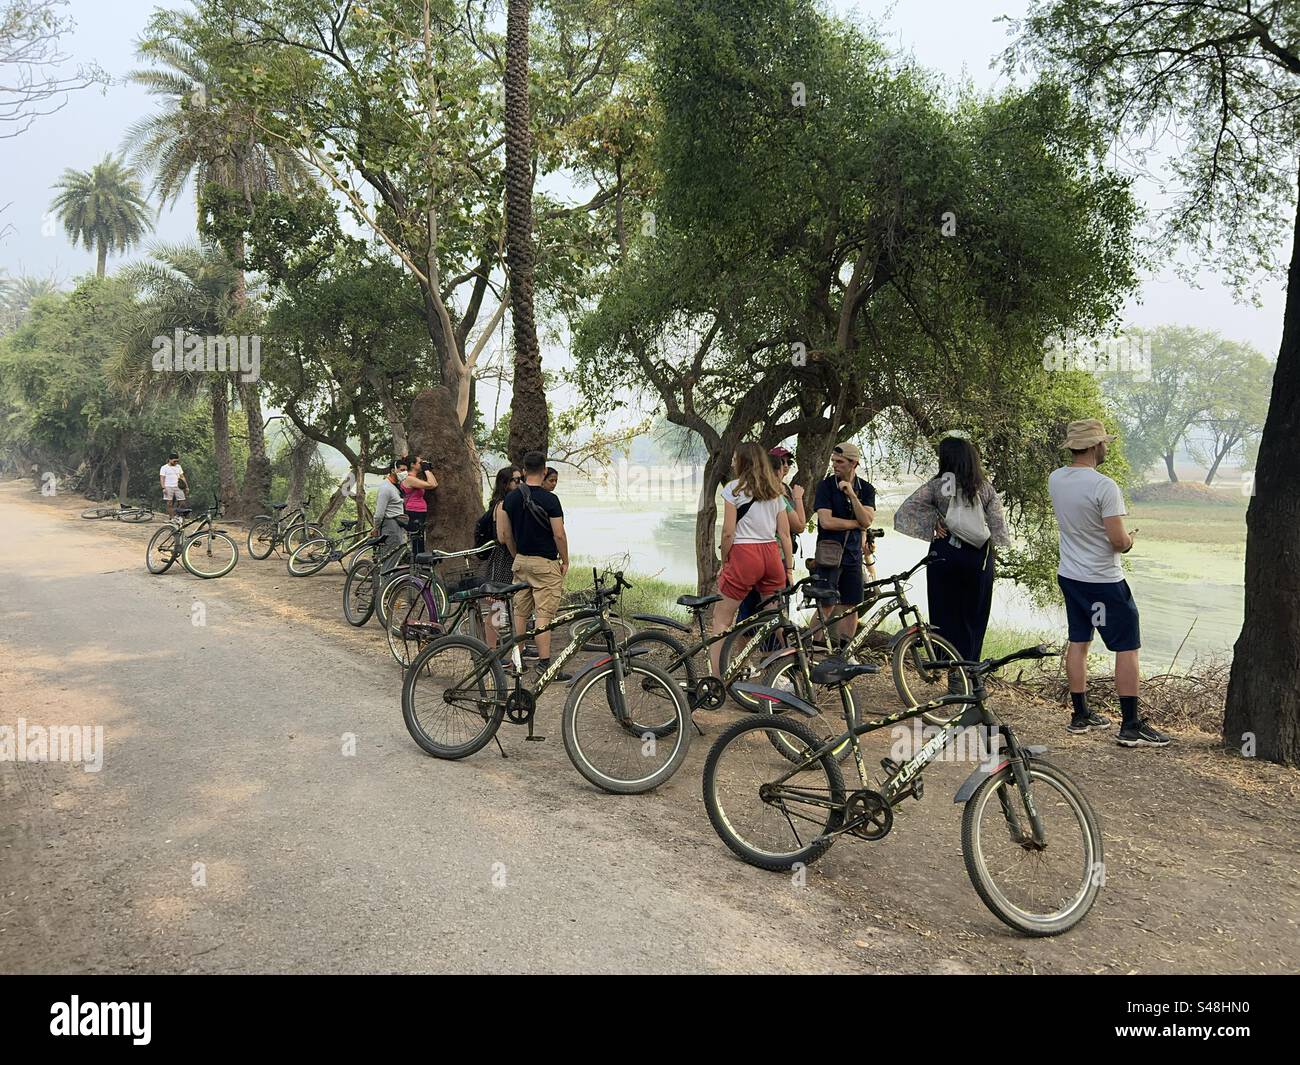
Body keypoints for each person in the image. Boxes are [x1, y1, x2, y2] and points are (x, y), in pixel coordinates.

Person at [1048, 418, 1169, 748]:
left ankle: (1080, 714)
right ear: (1093, 446)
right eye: (1103, 442)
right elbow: (1117, 540)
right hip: (1103, 579)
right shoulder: (1105, 486)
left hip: (1070, 575)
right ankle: (1130, 724)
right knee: (1127, 647)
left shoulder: (1056, 478)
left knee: (1079, 641)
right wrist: (1130, 540)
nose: (1106, 447)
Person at [894, 434, 1011, 672]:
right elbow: (998, 526)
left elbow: (907, 509)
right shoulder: (985, 488)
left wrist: (932, 523)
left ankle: (949, 668)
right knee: (974, 615)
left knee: (944, 613)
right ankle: (969, 670)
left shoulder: (938, 485)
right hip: (978, 557)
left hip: (945, 552)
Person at [710, 442, 796, 677]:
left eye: (735, 458)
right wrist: (788, 568)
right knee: (778, 618)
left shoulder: (733, 489)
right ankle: (796, 669)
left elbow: (728, 532)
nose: (732, 462)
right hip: (771, 554)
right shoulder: (775, 491)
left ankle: (717, 678)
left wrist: (724, 561)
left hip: (744, 554)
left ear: (742, 462)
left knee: (721, 619)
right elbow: (785, 534)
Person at [497, 450, 569, 677]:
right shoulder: (550, 500)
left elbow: (507, 535)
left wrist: (518, 555)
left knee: (520, 613)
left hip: (521, 562)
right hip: (545, 564)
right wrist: (565, 560)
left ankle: (517, 661)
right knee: (543, 616)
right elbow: (559, 534)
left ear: (525, 471)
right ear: (545, 470)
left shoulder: (510, 498)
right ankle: (545, 665)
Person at [812, 441, 876, 648]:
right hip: (829, 552)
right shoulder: (825, 486)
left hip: (853, 555)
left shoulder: (865, 489)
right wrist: (856, 523)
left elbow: (867, 520)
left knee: (851, 605)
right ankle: (815, 647)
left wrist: (851, 494)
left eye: (840, 462)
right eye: (833, 461)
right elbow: (826, 521)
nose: (835, 465)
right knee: (826, 603)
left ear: (853, 464)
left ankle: (845, 650)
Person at [736, 446, 806, 622]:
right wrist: (798, 498)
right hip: (774, 557)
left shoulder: (756, 489)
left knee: (749, 612)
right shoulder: (776, 494)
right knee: (775, 611)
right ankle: (775, 647)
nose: (786, 466)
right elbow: (797, 527)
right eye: (782, 462)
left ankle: (749, 646)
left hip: (751, 555)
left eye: (789, 462)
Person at [475, 466, 521, 649]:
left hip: (505, 558)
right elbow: (504, 536)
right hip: (503, 559)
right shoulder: (502, 505)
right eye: (516, 480)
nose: (520, 483)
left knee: (503, 607)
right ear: (505, 483)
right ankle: (491, 650)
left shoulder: (506, 503)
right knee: (497, 607)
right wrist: (516, 555)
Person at [372, 458, 409, 573]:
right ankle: (385, 588)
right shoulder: (386, 488)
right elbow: (379, 513)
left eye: (406, 470)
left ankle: (389, 586)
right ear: (393, 470)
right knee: (390, 558)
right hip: (390, 526)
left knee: (395, 556)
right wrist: (376, 527)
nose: (405, 473)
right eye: (402, 470)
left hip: (397, 525)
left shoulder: (395, 487)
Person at [400, 453, 437, 554]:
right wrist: (426, 470)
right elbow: (432, 484)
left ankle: (418, 564)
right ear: (412, 465)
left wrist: (428, 469)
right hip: (414, 512)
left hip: (418, 512)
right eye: (419, 463)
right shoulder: (409, 479)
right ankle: (417, 565)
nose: (421, 464)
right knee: (417, 542)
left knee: (419, 540)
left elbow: (435, 483)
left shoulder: (413, 478)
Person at [159, 453, 188, 519]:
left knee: (182, 502)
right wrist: (163, 487)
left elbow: (182, 477)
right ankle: (171, 517)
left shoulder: (178, 467)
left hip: (178, 486)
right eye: (174, 461)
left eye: (177, 461)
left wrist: (186, 486)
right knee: (169, 502)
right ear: (169, 460)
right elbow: (162, 478)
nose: (176, 462)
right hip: (168, 486)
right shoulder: (164, 467)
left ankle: (177, 515)